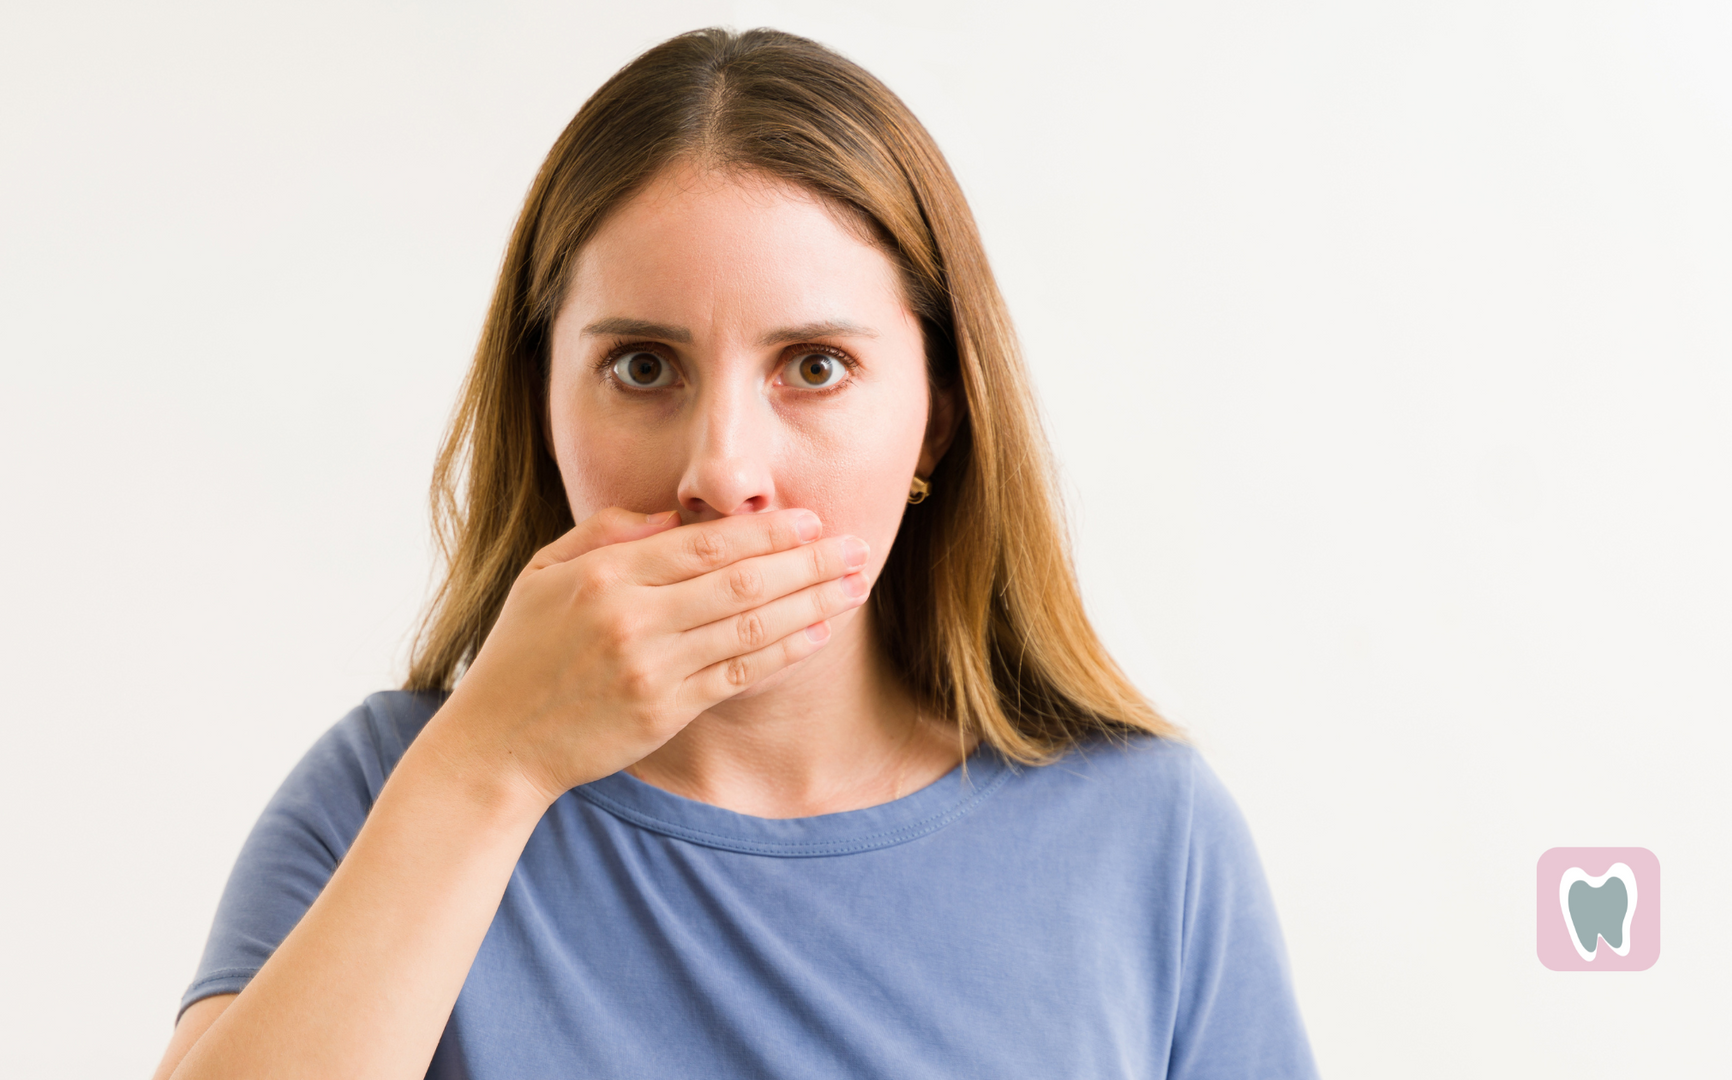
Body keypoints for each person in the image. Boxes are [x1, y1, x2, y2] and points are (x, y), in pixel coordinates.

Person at [153, 27, 1318, 1080]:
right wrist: (492, 768)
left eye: (814, 366)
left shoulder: (1146, 834)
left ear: (940, 416)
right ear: (544, 401)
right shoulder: (393, 789)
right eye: (644, 368)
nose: (723, 470)